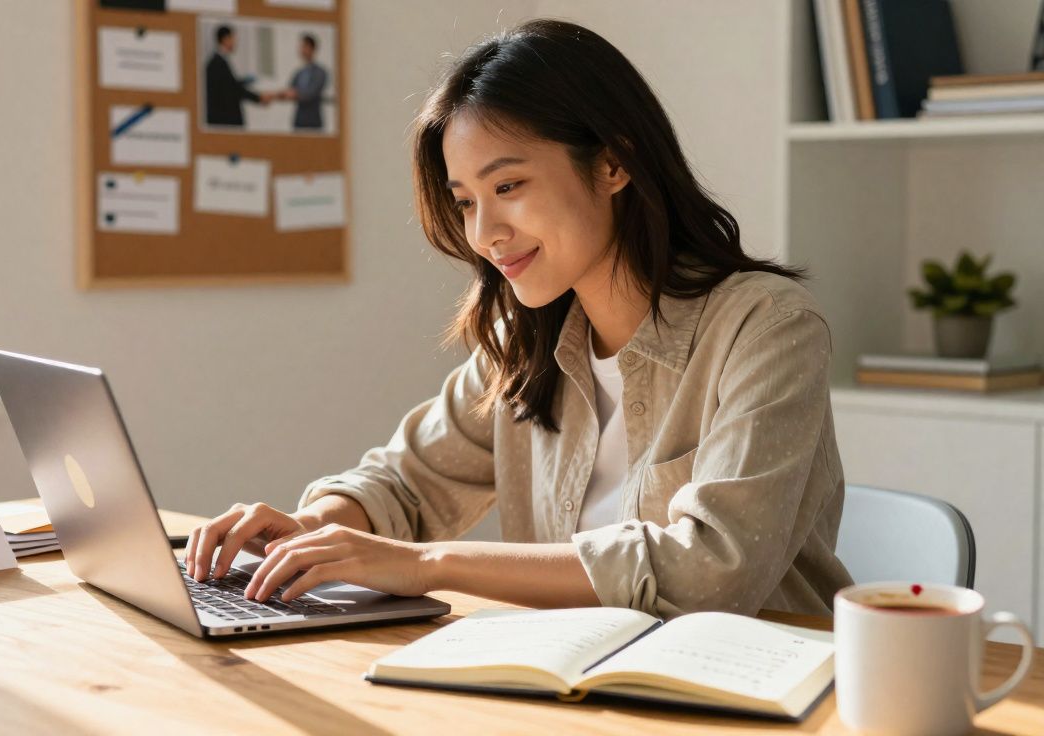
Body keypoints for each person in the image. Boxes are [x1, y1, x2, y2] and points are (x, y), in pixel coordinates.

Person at [185, 18, 854, 619]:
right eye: (466, 201)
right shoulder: (523, 342)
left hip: (754, 698)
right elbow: (404, 484)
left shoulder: (767, 327)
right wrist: (314, 530)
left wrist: (429, 566)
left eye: (508, 187)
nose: (485, 232)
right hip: (576, 691)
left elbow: (713, 572)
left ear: (614, 162)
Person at [204, 25, 263, 126]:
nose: (235, 43)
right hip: (224, 122)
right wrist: (258, 98)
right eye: (233, 39)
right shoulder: (217, 63)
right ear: (226, 39)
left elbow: (228, 84)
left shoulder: (220, 62)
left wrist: (243, 82)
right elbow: (231, 89)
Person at [275, 33, 329, 130]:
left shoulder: (320, 72)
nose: (301, 50)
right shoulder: (299, 73)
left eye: (304, 46)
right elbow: (290, 89)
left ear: (312, 48)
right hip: (299, 120)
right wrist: (279, 94)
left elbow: (311, 93)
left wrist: (295, 94)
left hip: (313, 120)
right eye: (301, 47)